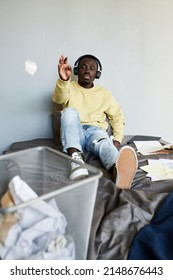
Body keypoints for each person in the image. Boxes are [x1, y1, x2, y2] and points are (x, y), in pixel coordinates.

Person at [52, 54, 138, 189]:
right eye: (83, 67)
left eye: (92, 68)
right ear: (76, 71)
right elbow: (58, 100)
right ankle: (76, 162)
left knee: (105, 143)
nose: (87, 70)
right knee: (68, 112)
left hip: (95, 132)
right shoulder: (69, 86)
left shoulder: (105, 94)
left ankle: (119, 171)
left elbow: (117, 117)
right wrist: (63, 80)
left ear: (96, 74)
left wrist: (117, 140)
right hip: (74, 132)